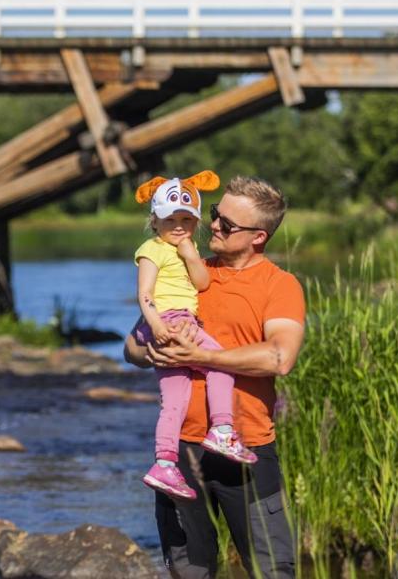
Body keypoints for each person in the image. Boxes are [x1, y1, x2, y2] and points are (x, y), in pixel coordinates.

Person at [124, 175, 306, 579]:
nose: (214, 226)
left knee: (273, 571)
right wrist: (148, 350)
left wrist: (202, 355)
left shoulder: (280, 285)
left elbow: (280, 357)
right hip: (182, 453)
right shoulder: (185, 269)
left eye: (228, 224)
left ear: (258, 237)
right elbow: (131, 347)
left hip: (247, 451)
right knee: (189, 573)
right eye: (215, 215)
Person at [131, 171, 259, 503]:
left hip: (180, 320)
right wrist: (157, 325)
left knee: (174, 402)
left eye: (187, 220)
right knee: (221, 365)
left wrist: (190, 255)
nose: (178, 226)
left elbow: (201, 283)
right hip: (168, 320)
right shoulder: (152, 249)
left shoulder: (187, 252)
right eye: (170, 219)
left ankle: (163, 462)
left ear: (196, 223)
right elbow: (144, 293)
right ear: (154, 221)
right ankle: (222, 429)